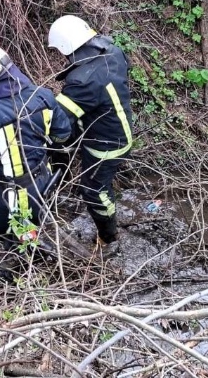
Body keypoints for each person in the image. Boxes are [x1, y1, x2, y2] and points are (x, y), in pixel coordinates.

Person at [0, 42, 72, 247]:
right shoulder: (42, 95)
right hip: (45, 184)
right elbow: (63, 135)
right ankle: (29, 242)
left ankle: (19, 253)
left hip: (10, 196)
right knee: (25, 230)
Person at [47, 15, 135, 247]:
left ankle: (109, 237)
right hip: (119, 126)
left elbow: (59, 119)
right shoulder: (113, 52)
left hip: (105, 145)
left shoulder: (82, 80)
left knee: (93, 190)